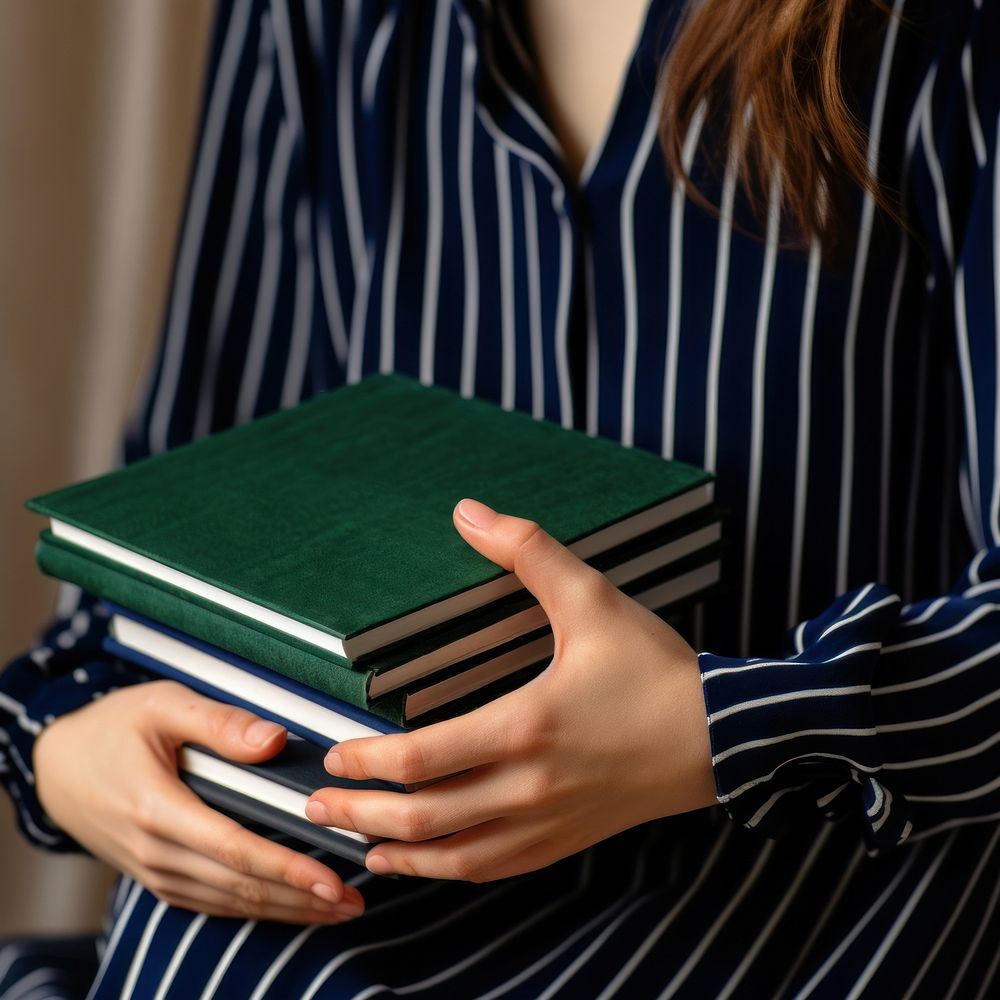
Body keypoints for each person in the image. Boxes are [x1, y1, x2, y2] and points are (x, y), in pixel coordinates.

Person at [2, 0, 999, 995]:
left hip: (832, 877)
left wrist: (715, 727)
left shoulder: (944, 36)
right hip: (371, 874)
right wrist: (62, 742)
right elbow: (184, 498)